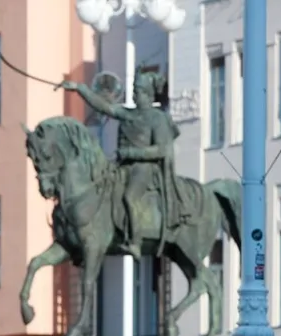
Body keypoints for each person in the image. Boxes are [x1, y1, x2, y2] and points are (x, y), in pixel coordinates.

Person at [62, 71, 187, 259]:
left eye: (139, 91)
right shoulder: (128, 114)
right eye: (134, 91)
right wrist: (80, 89)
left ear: (149, 94)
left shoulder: (157, 118)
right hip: (123, 166)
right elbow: (104, 107)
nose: (135, 95)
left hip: (144, 168)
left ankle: (135, 242)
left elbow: (161, 149)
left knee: (129, 197)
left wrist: (132, 153)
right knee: (101, 190)